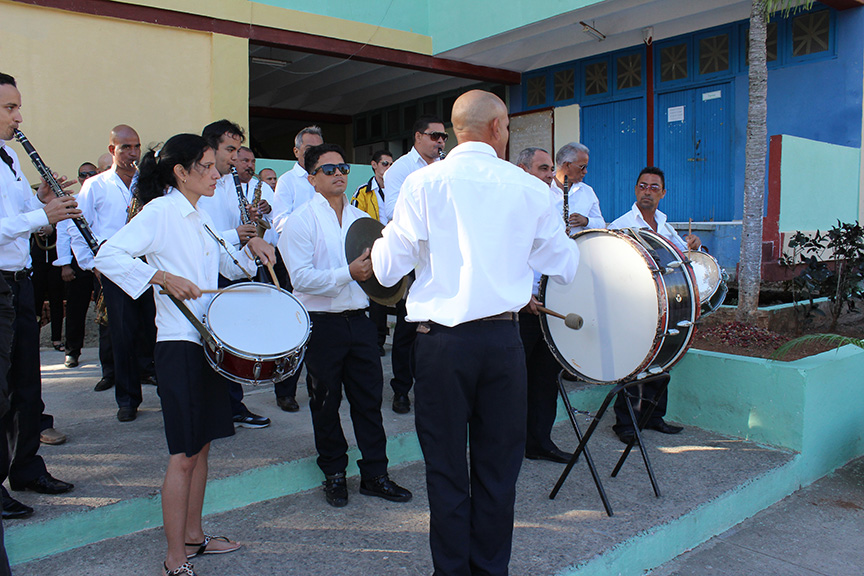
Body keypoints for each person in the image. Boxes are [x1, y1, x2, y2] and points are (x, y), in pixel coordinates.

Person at [371, 90, 579, 576]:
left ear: (455, 128)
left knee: (445, 472)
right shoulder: (530, 188)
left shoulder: (421, 184)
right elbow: (563, 264)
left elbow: (385, 269)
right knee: (498, 472)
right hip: (503, 344)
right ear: (497, 128)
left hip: (440, 345)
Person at [95, 133, 275, 576]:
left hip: (208, 343)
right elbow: (107, 254)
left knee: (203, 445)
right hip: (178, 345)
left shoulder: (199, 215)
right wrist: (161, 276)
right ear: (181, 171)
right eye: (209, 166)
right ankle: (174, 557)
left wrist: (252, 247)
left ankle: (194, 537)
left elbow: (228, 267)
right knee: (183, 453)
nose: (218, 173)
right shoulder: (160, 212)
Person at [280, 143, 412, 509]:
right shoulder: (300, 221)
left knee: (369, 401)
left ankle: (375, 474)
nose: (338, 174)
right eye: (328, 170)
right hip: (321, 325)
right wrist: (347, 273)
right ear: (312, 179)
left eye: (342, 168)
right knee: (325, 402)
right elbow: (302, 279)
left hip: (361, 321)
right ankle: (334, 474)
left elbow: (380, 273)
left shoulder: (360, 220)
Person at [0, 72, 77, 521]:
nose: (19, 116)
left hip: (18, 282)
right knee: (1, 391)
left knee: (28, 384)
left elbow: (19, 218)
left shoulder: (9, 155)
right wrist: (40, 215)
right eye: (10, 108)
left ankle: (26, 468)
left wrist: (42, 203)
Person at [608, 166, 701, 444]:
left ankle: (653, 417)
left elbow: (680, 257)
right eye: (642, 186)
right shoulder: (621, 225)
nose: (647, 191)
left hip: (667, 304)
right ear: (636, 189)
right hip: (635, 304)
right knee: (635, 362)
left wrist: (692, 245)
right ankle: (625, 423)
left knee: (662, 359)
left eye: (653, 187)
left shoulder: (665, 224)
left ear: (662, 193)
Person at [72, 124, 158, 422]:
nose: (133, 153)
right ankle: (127, 399)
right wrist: (91, 264)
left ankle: (162, 388)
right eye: (126, 148)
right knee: (121, 334)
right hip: (114, 269)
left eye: (136, 146)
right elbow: (77, 226)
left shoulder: (148, 184)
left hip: (148, 266)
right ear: (112, 150)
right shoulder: (95, 185)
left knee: (154, 329)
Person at [198, 120, 270, 430]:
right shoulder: (198, 182)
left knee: (231, 341)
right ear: (210, 148)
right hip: (204, 275)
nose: (235, 157)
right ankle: (216, 406)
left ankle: (232, 404)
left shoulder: (230, 183)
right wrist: (234, 233)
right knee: (209, 344)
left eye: (237, 150)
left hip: (232, 268)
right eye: (230, 150)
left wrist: (251, 222)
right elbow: (199, 231)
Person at [381, 115, 447, 414]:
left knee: (438, 325)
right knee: (408, 327)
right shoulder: (401, 170)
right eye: (434, 136)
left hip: (440, 256)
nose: (440, 142)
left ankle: (432, 385)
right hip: (411, 257)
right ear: (418, 137)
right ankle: (401, 389)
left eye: (443, 137)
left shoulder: (446, 168)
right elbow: (393, 212)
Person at [515, 147, 572, 464]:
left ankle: (540, 441)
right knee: (514, 383)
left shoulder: (552, 204)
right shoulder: (510, 206)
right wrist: (522, 297)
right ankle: (511, 445)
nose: (551, 173)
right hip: (519, 311)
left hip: (548, 308)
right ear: (523, 170)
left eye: (551, 168)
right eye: (543, 168)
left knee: (545, 380)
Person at [350, 150, 393, 356]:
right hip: (373, 246)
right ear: (374, 165)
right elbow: (356, 219)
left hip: (394, 246)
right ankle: (377, 340)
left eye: (391, 164)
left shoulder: (398, 188)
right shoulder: (363, 192)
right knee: (377, 298)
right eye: (385, 164)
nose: (388, 168)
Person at [272, 126, 323, 236]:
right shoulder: (287, 181)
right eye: (309, 149)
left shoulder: (327, 177)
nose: (315, 154)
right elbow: (279, 222)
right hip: (299, 246)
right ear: (296, 152)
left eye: (319, 149)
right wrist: (310, 225)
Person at [552, 142, 605, 235]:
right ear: (567, 165)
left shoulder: (587, 191)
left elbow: (601, 224)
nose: (585, 171)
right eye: (582, 167)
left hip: (579, 247)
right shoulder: (543, 188)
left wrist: (586, 221)